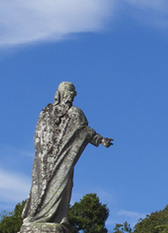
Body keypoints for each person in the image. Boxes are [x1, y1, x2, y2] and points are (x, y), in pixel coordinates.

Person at [20, 82, 113, 230]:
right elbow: (38, 133)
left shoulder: (75, 113)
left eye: (73, 93)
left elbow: (85, 130)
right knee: (38, 186)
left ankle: (59, 217)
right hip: (44, 158)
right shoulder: (46, 112)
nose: (70, 96)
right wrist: (42, 153)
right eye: (68, 92)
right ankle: (34, 215)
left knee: (64, 184)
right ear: (59, 93)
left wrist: (101, 140)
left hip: (63, 158)